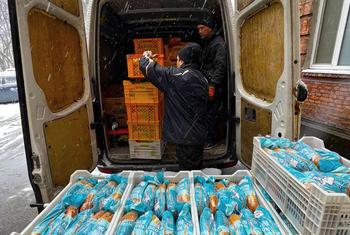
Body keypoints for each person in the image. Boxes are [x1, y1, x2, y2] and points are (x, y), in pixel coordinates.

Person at [139, 43, 208, 170]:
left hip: (186, 138)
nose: (176, 63)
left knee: (189, 172)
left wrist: (146, 56)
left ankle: (191, 187)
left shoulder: (177, 77)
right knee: (195, 167)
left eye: (177, 60)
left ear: (182, 60)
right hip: (197, 135)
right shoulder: (203, 78)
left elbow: (148, 67)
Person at [197, 17, 227, 149]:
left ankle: (211, 140)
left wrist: (213, 85)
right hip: (207, 83)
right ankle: (208, 138)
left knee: (212, 114)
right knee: (207, 113)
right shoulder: (208, 42)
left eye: (202, 28)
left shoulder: (218, 43)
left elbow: (220, 66)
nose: (199, 31)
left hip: (214, 86)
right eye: (198, 29)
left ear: (210, 28)